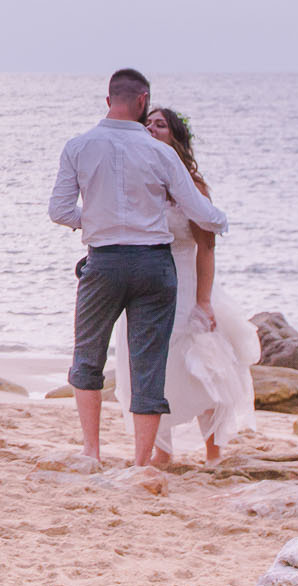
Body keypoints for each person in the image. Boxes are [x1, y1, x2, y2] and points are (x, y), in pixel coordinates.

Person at [48, 68, 228, 468]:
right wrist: (222, 220)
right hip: (153, 266)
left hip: (104, 263)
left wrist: (96, 221)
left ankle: (91, 451)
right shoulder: (161, 153)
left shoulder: (78, 146)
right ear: (143, 101)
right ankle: (142, 462)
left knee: (88, 356)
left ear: (108, 100)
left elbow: (59, 211)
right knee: (149, 364)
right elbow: (201, 212)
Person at [113, 106, 259, 464]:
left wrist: (203, 301)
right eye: (147, 123)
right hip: (143, 283)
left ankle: (213, 454)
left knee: (199, 364)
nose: (151, 128)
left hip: (184, 280)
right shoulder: (139, 180)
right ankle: (161, 453)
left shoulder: (192, 185)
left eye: (160, 124)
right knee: (145, 364)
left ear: (176, 137)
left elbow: (206, 246)